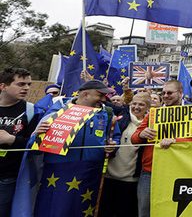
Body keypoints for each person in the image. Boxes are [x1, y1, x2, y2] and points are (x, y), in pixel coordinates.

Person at [29, 80, 121, 217]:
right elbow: (34, 144)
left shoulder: (107, 113)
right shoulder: (58, 110)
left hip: (90, 172)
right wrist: (37, 136)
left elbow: (115, 137)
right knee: (54, 210)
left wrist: (113, 146)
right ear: (85, 94)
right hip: (58, 172)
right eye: (100, 95)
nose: (103, 99)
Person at [132, 80, 192, 217]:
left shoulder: (189, 112)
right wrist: (141, 134)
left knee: (172, 211)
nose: (165, 95)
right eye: (163, 93)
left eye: (169, 93)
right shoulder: (153, 113)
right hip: (150, 171)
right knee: (145, 211)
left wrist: (175, 141)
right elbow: (134, 139)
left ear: (180, 93)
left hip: (177, 171)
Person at [99, 92, 151, 217]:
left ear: (148, 108)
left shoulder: (151, 125)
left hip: (132, 180)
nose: (136, 107)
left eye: (141, 104)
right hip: (110, 177)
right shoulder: (120, 118)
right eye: (134, 103)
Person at [0, 68, 39, 216]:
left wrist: (12, 140)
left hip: (8, 177)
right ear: (3, 86)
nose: (26, 88)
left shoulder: (31, 111)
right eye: (21, 84)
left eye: (28, 84)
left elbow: (36, 146)